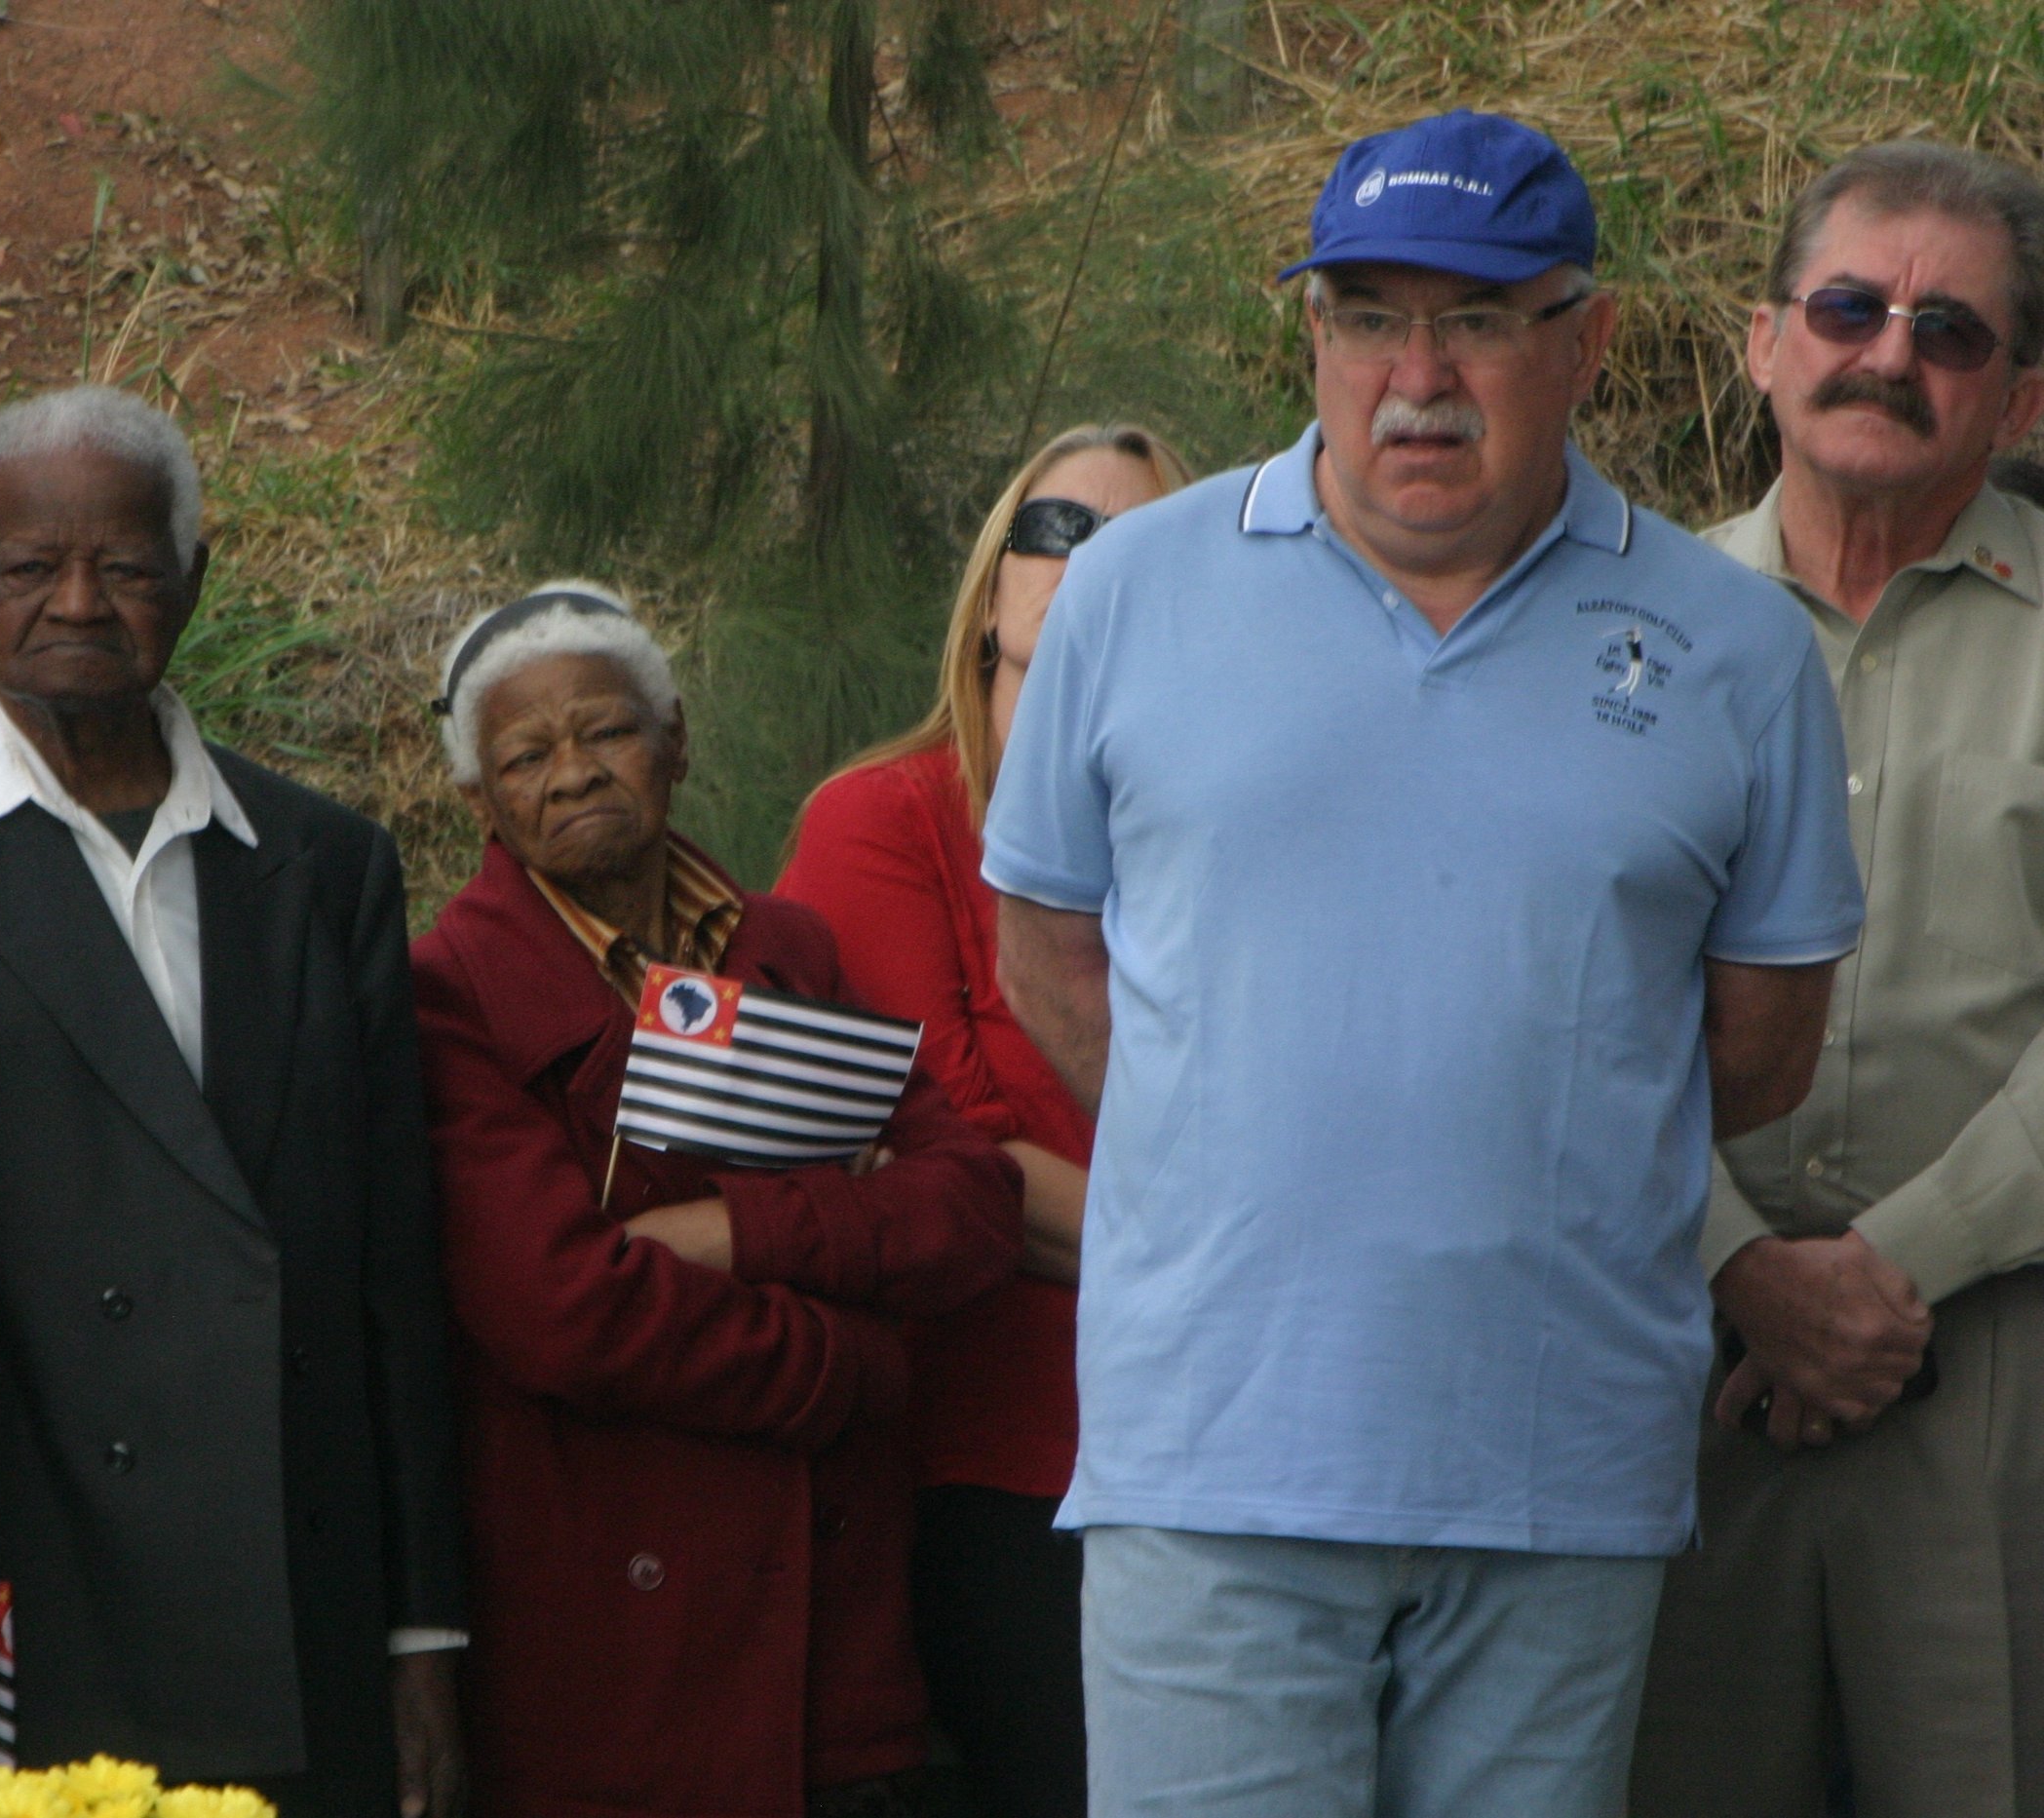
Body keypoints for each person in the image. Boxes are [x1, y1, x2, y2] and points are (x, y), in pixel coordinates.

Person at [983, 110, 1869, 1818]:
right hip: (1216, 1466)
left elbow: (1748, 1058)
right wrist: (1255, 1124)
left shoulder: (1734, 648)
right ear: (1308, 331)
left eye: (1477, 317)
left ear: (1588, 340)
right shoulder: (1131, 597)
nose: (1419, 374)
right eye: (1368, 313)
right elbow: (1055, 968)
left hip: (1561, 1478)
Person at [0, 386, 466, 1814]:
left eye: (123, 565)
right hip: (18, 1601)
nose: (76, 602)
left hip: (292, 1596)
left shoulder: (322, 863)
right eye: (28, 567)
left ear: (195, 578)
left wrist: (421, 1634)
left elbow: (388, 1279)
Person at [408, 583, 1023, 1818]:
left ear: (676, 740)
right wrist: (849, 1364)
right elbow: (567, 1306)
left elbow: (970, 1200)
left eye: (606, 730)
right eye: (527, 754)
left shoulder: (785, 950)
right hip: (624, 1669)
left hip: (837, 1662)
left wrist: (740, 1231)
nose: (574, 772)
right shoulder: (449, 995)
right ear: (479, 801)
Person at [1629, 141, 2044, 1818]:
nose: (1890, 354)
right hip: (1667, 1356)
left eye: (1953, 331)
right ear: (1763, 340)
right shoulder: (1617, 642)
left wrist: (1898, 1265)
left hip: (2000, 1366)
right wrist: (1747, 1268)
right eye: (1852, 306)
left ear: (2020, 400)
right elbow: (1560, 999)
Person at [776, 423, 1187, 1818]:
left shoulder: (1223, 840)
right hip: (1003, 1464)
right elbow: (959, 1176)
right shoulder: (881, 824)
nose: (1092, 565)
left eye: (1140, 541)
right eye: (1060, 529)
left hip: (1224, 1455)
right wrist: (1250, 1245)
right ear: (992, 591)